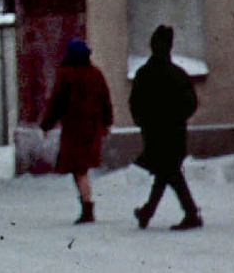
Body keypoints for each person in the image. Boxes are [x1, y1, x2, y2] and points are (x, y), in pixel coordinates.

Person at [128, 25, 202, 230]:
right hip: (175, 133)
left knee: (168, 172)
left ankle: (189, 213)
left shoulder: (144, 73)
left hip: (154, 133)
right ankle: (149, 212)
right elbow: (191, 103)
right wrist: (178, 119)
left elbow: (135, 104)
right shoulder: (178, 74)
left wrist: (144, 122)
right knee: (167, 172)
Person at [41, 37, 114, 224]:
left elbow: (57, 102)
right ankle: (87, 204)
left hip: (73, 130)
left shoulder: (66, 75)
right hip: (92, 129)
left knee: (78, 170)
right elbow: (105, 100)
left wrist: (47, 124)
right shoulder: (95, 73)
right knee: (82, 169)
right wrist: (106, 123)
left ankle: (87, 207)